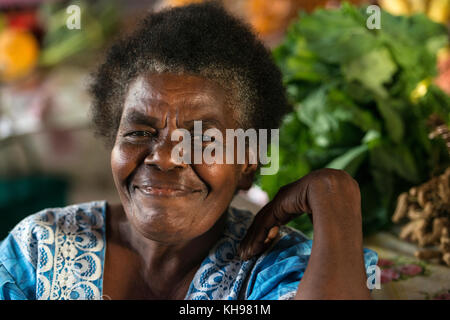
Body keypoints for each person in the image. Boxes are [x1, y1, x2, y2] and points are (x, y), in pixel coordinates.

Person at [0, 1, 377, 300]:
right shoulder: (38, 250)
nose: (163, 156)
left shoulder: (279, 270)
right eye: (138, 132)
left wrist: (334, 195)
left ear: (247, 165)